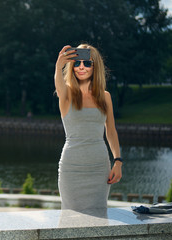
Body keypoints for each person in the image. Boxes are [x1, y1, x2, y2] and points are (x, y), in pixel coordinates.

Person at [54, 44, 122, 210]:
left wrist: (118, 161)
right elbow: (59, 84)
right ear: (71, 66)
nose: (81, 67)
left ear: (95, 66)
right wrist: (58, 65)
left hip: (99, 168)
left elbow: (111, 131)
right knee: (70, 220)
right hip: (71, 169)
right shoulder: (67, 94)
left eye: (87, 63)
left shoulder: (105, 97)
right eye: (77, 63)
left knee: (98, 219)